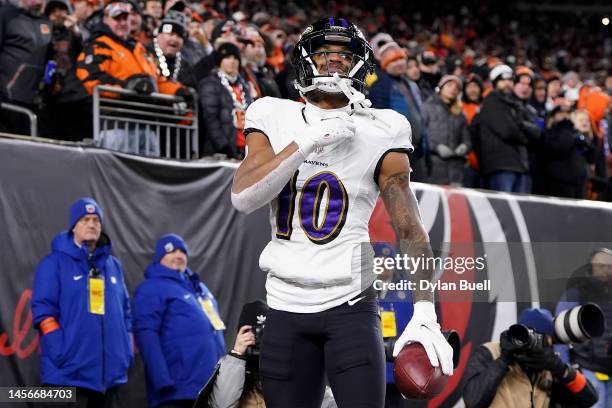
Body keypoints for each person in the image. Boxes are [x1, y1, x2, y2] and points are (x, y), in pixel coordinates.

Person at [231, 17, 453, 407]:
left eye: (344, 55)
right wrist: (308, 141)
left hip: (351, 301)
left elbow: (410, 227)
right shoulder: (272, 113)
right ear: (305, 61)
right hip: (284, 301)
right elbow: (244, 197)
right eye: (323, 53)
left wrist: (425, 310)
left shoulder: (383, 127)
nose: (334, 62)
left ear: (361, 65)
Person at [31, 198, 133, 407]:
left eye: (96, 219)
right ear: (73, 227)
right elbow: (43, 312)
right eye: (85, 219)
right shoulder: (53, 263)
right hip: (68, 378)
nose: (92, 224)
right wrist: (61, 352)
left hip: (109, 380)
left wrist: (126, 352)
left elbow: (126, 313)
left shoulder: (114, 266)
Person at [76, 1, 189, 155]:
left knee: (148, 176)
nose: (123, 23)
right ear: (106, 20)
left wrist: (178, 91)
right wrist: (127, 86)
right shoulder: (99, 45)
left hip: (147, 126)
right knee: (115, 175)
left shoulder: (139, 48)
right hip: (116, 125)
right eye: (117, 19)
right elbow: (91, 79)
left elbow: (158, 80)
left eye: (126, 19)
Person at [132, 233, 226, 408]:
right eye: (171, 251)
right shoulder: (152, 288)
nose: (178, 255)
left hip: (210, 389)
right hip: (176, 389)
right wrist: (161, 380)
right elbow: (145, 334)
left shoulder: (200, 289)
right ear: (160, 257)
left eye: (182, 251)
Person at [195, 301, 338, 408]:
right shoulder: (230, 365)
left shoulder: (289, 361)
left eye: (264, 332)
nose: (259, 338)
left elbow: (326, 402)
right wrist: (237, 354)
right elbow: (221, 405)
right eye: (253, 332)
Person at [462, 308, 599, 408]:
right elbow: (472, 400)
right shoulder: (491, 352)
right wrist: (504, 360)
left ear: (550, 341)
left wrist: (559, 368)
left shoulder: (549, 369)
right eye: (528, 337)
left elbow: (589, 398)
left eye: (541, 339)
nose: (533, 345)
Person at [556, 248, 612, 408]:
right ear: (591, 267)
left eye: (610, 266)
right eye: (601, 265)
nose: (606, 270)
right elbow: (560, 333)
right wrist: (564, 369)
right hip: (587, 369)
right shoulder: (576, 294)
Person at [368, 41, 430, 182]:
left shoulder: (411, 84)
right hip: (396, 150)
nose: (399, 63)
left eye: (401, 58)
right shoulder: (380, 85)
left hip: (416, 151)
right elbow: (379, 118)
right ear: (385, 64)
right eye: (394, 60)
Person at [471, 64, 533, 193]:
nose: (507, 84)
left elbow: (536, 132)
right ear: (494, 83)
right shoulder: (491, 102)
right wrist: (525, 137)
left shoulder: (514, 104)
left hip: (519, 165)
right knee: (504, 210)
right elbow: (507, 131)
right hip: (500, 165)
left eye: (510, 80)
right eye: (503, 80)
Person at [40, 0, 92, 142]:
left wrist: (74, 29)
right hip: (51, 100)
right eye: (53, 11)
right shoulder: (42, 35)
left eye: (61, 10)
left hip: (77, 98)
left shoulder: (77, 33)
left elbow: (86, 49)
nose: (57, 14)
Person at [0, 0, 51, 135]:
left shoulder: (46, 22)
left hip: (34, 102)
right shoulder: (6, 15)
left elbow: (50, 58)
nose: (39, 2)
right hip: (6, 99)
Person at [198, 42, 253, 159]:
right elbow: (210, 118)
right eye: (227, 57)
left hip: (245, 150)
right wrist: (223, 146)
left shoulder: (244, 86)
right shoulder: (209, 83)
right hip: (221, 152)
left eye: (235, 58)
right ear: (220, 61)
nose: (232, 61)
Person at [422, 74, 470, 186]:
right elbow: (421, 135)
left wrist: (465, 146)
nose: (453, 89)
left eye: (457, 87)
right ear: (440, 88)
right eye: (449, 85)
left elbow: (467, 139)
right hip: (433, 167)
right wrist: (436, 147)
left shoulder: (460, 114)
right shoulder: (427, 107)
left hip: (456, 170)